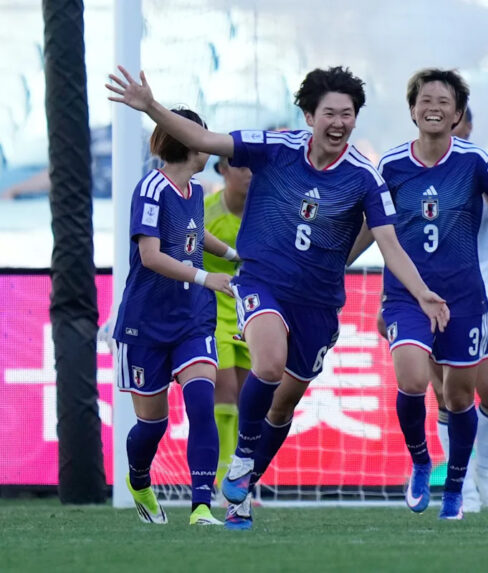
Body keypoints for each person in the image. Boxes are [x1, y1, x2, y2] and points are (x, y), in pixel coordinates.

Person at [107, 65, 450, 530]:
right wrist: (150, 106)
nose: (339, 122)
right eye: (330, 112)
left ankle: (243, 486)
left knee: (283, 405)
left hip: (319, 304)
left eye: (348, 114)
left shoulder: (365, 179)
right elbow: (205, 141)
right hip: (261, 283)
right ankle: (241, 457)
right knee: (266, 364)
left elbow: (389, 243)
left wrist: (423, 292)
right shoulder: (275, 148)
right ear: (309, 115)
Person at [355, 68, 488, 520]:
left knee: (473, 395)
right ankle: (425, 463)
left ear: (460, 114)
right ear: (411, 109)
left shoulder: (475, 162)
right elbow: (371, 227)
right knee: (415, 382)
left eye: (444, 102)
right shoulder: (389, 165)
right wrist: (331, 271)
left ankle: (468, 477)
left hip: (471, 296)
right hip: (408, 295)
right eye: (426, 100)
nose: (434, 109)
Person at [363, 106, 488, 513]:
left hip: (482, 292)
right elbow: (390, 234)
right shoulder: (404, 168)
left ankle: (482, 468)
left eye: (458, 117)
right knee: (434, 389)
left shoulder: (479, 167)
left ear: (464, 123)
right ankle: (458, 482)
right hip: (418, 293)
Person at [112, 108, 238, 526]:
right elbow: (150, 256)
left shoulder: (196, 190)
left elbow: (194, 233)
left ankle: (201, 506)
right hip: (144, 324)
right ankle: (139, 479)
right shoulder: (151, 188)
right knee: (152, 426)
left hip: (191, 319)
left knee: (202, 402)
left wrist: (234, 255)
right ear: (187, 141)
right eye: (201, 133)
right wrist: (206, 277)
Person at [203, 157, 251, 489]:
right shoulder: (205, 211)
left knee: (250, 398)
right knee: (226, 388)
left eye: (253, 166)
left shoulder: (267, 213)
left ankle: (244, 477)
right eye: (240, 165)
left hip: (252, 313)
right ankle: (223, 478)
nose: (248, 172)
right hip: (211, 313)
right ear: (222, 169)